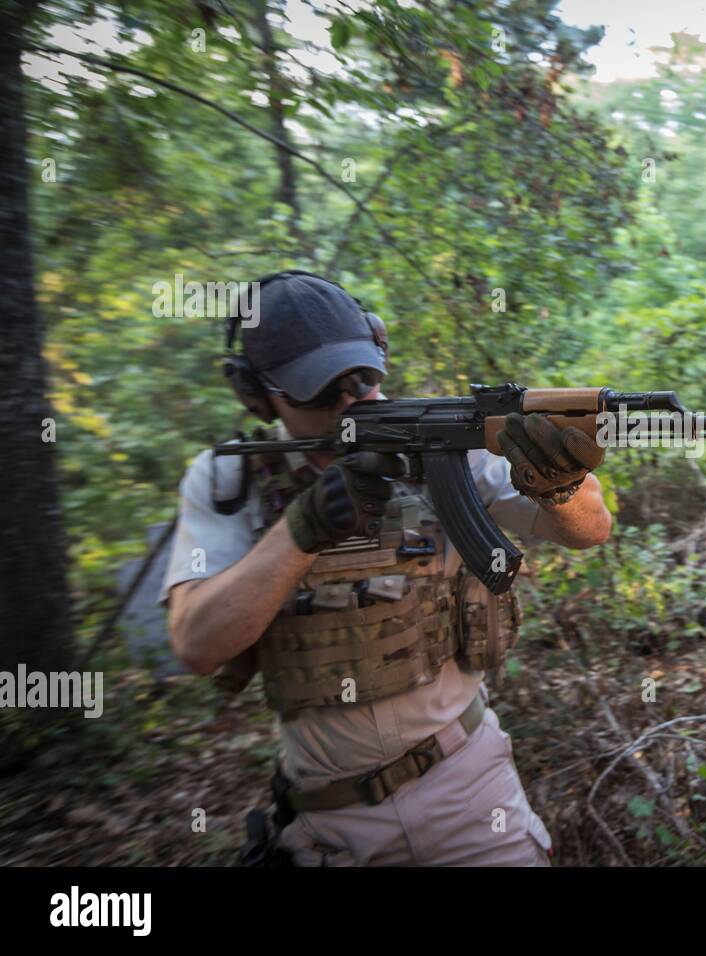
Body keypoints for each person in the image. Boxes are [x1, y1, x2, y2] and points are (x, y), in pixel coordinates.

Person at [159, 271, 611, 865]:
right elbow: (196, 643)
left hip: (469, 789)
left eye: (362, 375)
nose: (351, 398)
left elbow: (590, 529)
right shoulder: (228, 481)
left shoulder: (440, 440)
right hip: (329, 820)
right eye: (319, 390)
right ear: (256, 393)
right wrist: (303, 527)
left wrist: (560, 483)